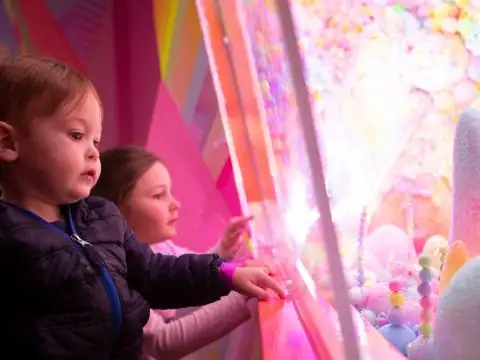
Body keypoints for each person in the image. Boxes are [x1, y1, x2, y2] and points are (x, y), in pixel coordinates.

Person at [0, 53, 285, 359]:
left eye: (95, 141)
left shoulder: (101, 217)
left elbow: (154, 272)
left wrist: (225, 274)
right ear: (9, 143)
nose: (94, 153)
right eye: (77, 135)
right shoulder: (8, 241)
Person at [92, 146, 264, 360]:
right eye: (158, 195)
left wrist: (223, 251)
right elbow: (163, 341)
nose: (175, 204)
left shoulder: (160, 246)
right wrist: (241, 291)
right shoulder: (114, 275)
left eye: (170, 192)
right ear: (116, 212)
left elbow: (189, 276)